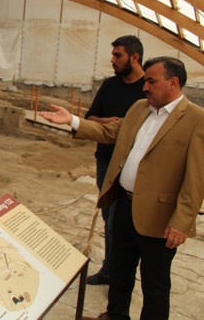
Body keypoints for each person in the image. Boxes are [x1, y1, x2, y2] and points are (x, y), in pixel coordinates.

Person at [40, 57, 204, 320]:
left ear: (173, 83)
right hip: (125, 206)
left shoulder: (196, 119)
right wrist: (72, 120)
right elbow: (109, 132)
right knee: (119, 271)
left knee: (155, 284)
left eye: (151, 81)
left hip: (160, 219)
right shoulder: (140, 108)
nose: (145, 87)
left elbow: (197, 178)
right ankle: (116, 315)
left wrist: (182, 222)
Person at [84, 35, 146, 286]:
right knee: (110, 219)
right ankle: (110, 271)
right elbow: (91, 117)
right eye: (113, 55)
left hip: (134, 167)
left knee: (129, 222)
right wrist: (109, 122)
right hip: (106, 163)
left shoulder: (147, 88)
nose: (113, 60)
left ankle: (123, 272)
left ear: (134, 57)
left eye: (118, 55)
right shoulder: (110, 85)